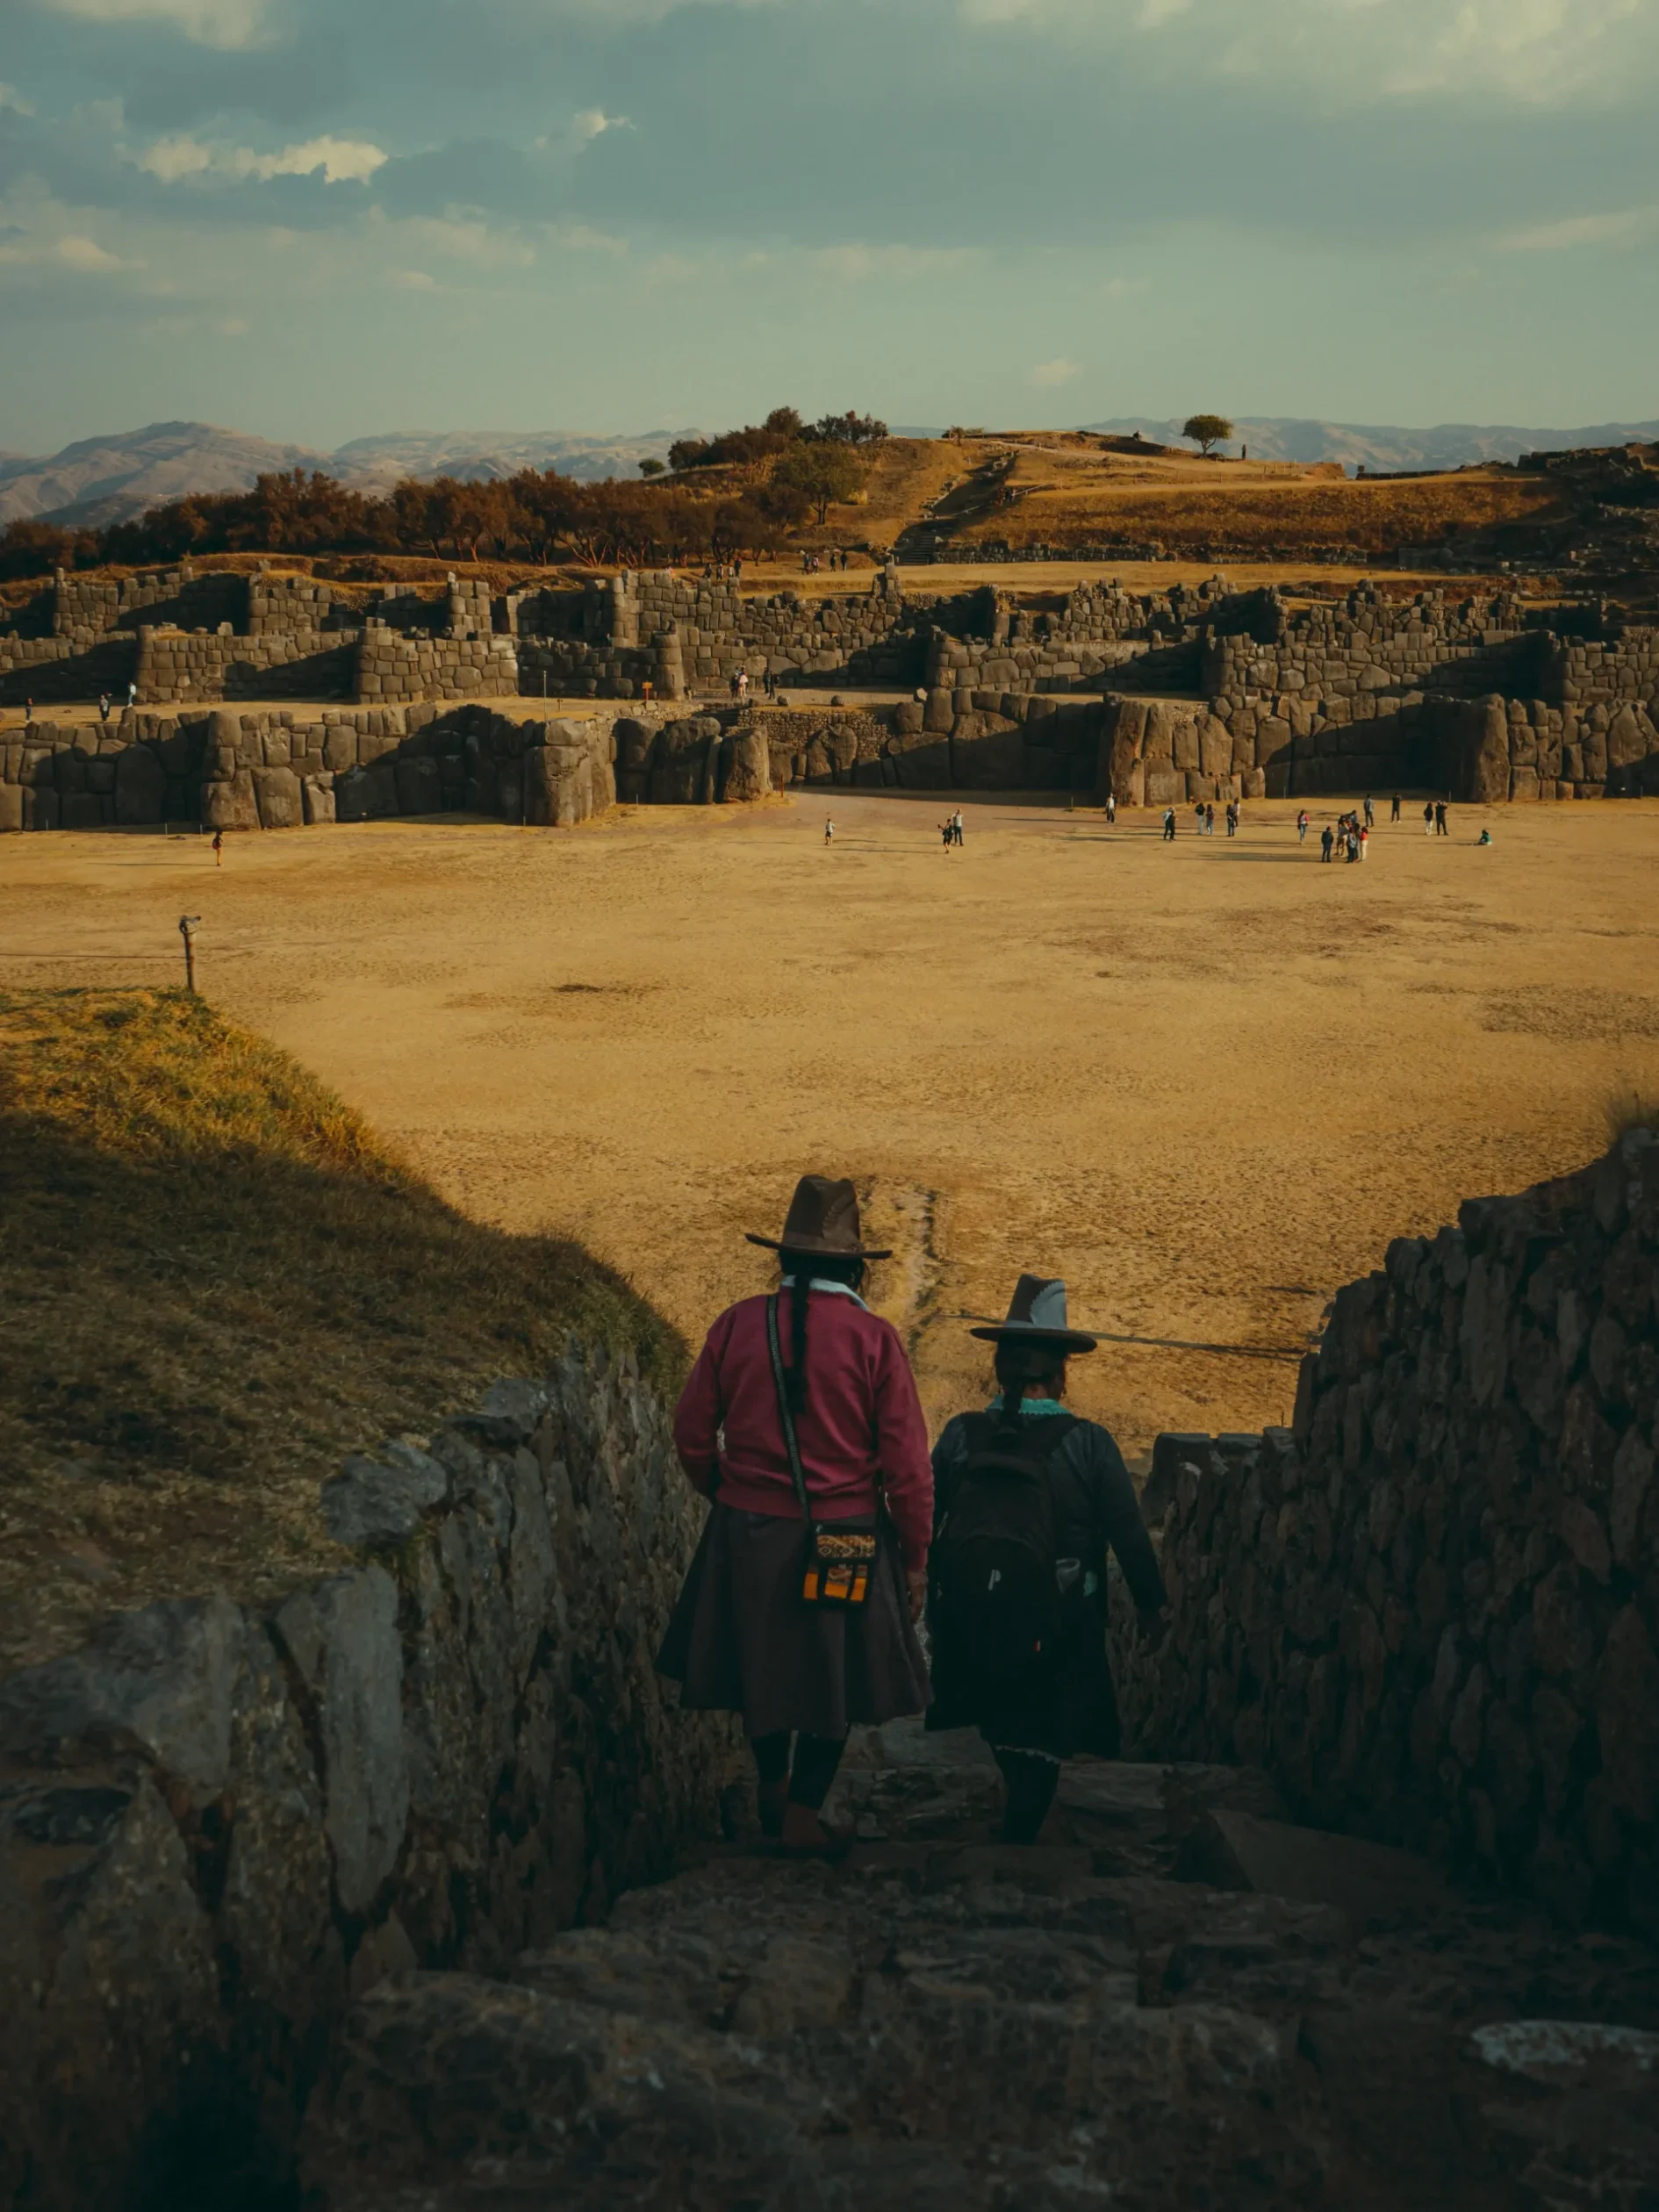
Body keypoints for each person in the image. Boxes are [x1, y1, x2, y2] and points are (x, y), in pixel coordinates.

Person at [658, 1176, 932, 1854]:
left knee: (763, 1661)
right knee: (832, 1672)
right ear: (853, 1268)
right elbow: (907, 1467)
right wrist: (917, 1558)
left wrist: (729, 1490)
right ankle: (805, 1813)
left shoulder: (737, 1325)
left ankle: (774, 1787)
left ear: (784, 1257)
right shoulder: (875, 1342)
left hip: (747, 1531)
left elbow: (692, 1433)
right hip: (847, 1536)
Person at [927, 1276, 1167, 1844]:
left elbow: (925, 1515)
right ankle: (1022, 1832)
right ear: (1061, 1370)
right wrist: (1154, 1608)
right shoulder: (1089, 1444)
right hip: (1060, 1622)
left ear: (1001, 1366)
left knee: (998, 1716)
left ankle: (1014, 1820)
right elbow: (1129, 1536)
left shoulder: (963, 1435)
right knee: (1043, 1724)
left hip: (971, 1615)